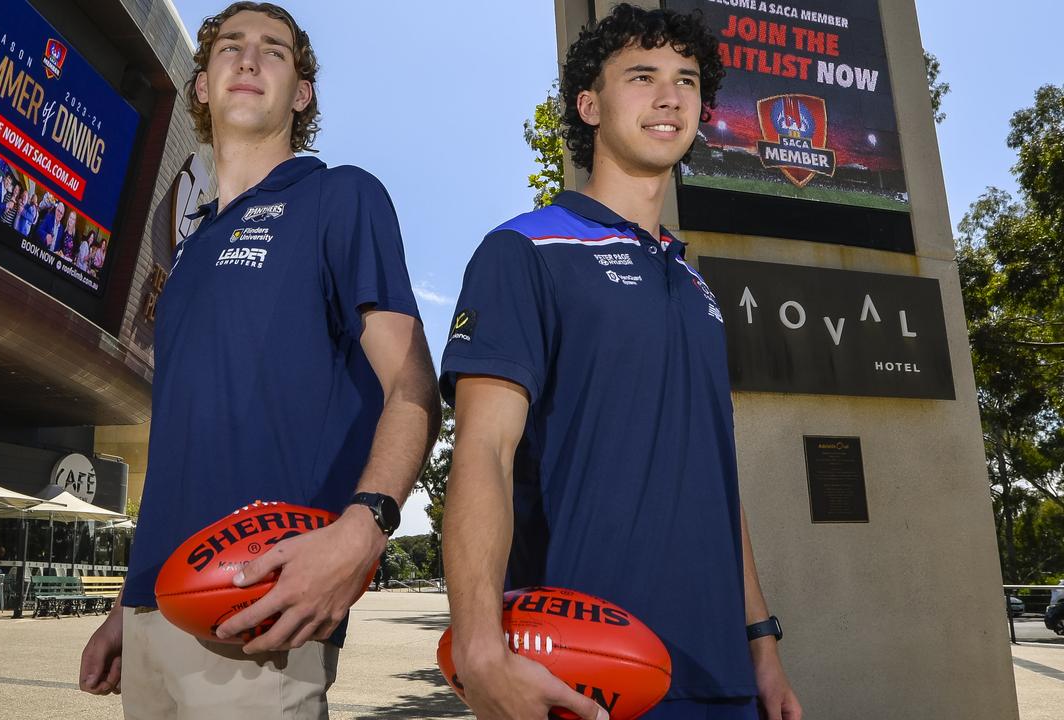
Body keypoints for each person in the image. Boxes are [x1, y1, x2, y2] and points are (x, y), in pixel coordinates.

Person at [77, 3, 440, 718]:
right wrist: (128, 603)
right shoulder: (184, 255)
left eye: (274, 52)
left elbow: (413, 383)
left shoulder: (340, 196)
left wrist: (364, 528)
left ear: (301, 93)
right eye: (230, 48)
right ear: (204, 85)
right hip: (155, 609)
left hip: (263, 604)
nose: (248, 59)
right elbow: (180, 442)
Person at [439, 6, 801, 720]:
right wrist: (481, 647)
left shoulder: (695, 286)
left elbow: (716, 482)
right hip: (586, 668)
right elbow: (484, 450)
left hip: (721, 671)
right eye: (642, 77)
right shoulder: (524, 251)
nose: (670, 97)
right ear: (589, 105)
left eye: (686, 81)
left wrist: (763, 647)